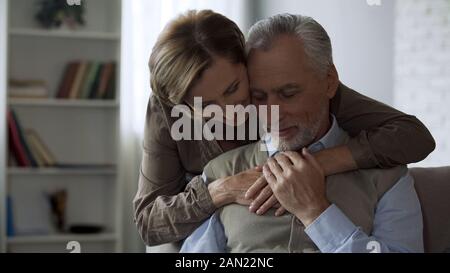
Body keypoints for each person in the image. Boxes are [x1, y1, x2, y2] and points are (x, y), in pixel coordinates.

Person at [133, 10, 434, 246]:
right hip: (209, 223)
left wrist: (311, 164)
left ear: (247, 63)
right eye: (203, 105)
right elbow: (149, 223)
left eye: (234, 89)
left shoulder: (313, 91)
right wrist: (220, 190)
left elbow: (414, 137)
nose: (227, 112)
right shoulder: (168, 111)